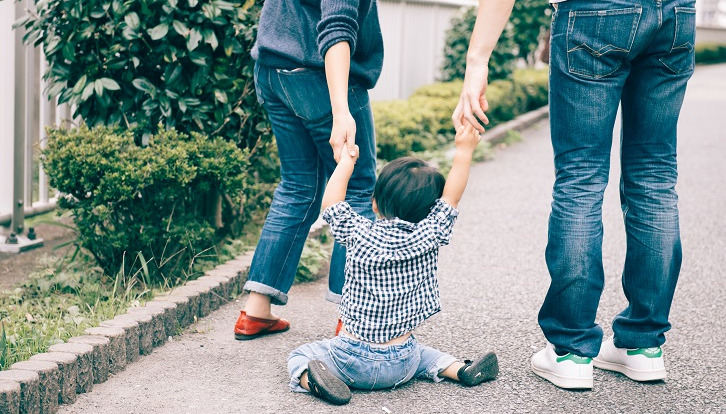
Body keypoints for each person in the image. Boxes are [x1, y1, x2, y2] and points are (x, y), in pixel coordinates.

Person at [453, 0, 694, 389]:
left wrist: (477, 61)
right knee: (654, 175)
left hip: (594, 15)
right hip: (675, 14)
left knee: (581, 177)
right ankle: (642, 347)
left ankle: (572, 351)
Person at [286, 125, 499, 405]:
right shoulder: (430, 233)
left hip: (350, 360)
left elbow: (332, 204)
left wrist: (347, 162)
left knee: (300, 355)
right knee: (425, 355)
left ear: (375, 204)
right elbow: (452, 198)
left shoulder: (358, 233)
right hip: (403, 363)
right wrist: (465, 149)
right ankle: (461, 370)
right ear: (431, 209)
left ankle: (314, 380)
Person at [234, 0, 383, 339]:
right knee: (358, 187)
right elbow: (337, 27)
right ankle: (355, 320)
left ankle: (256, 310)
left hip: (273, 70)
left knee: (297, 185)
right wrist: (341, 110)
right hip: (319, 75)